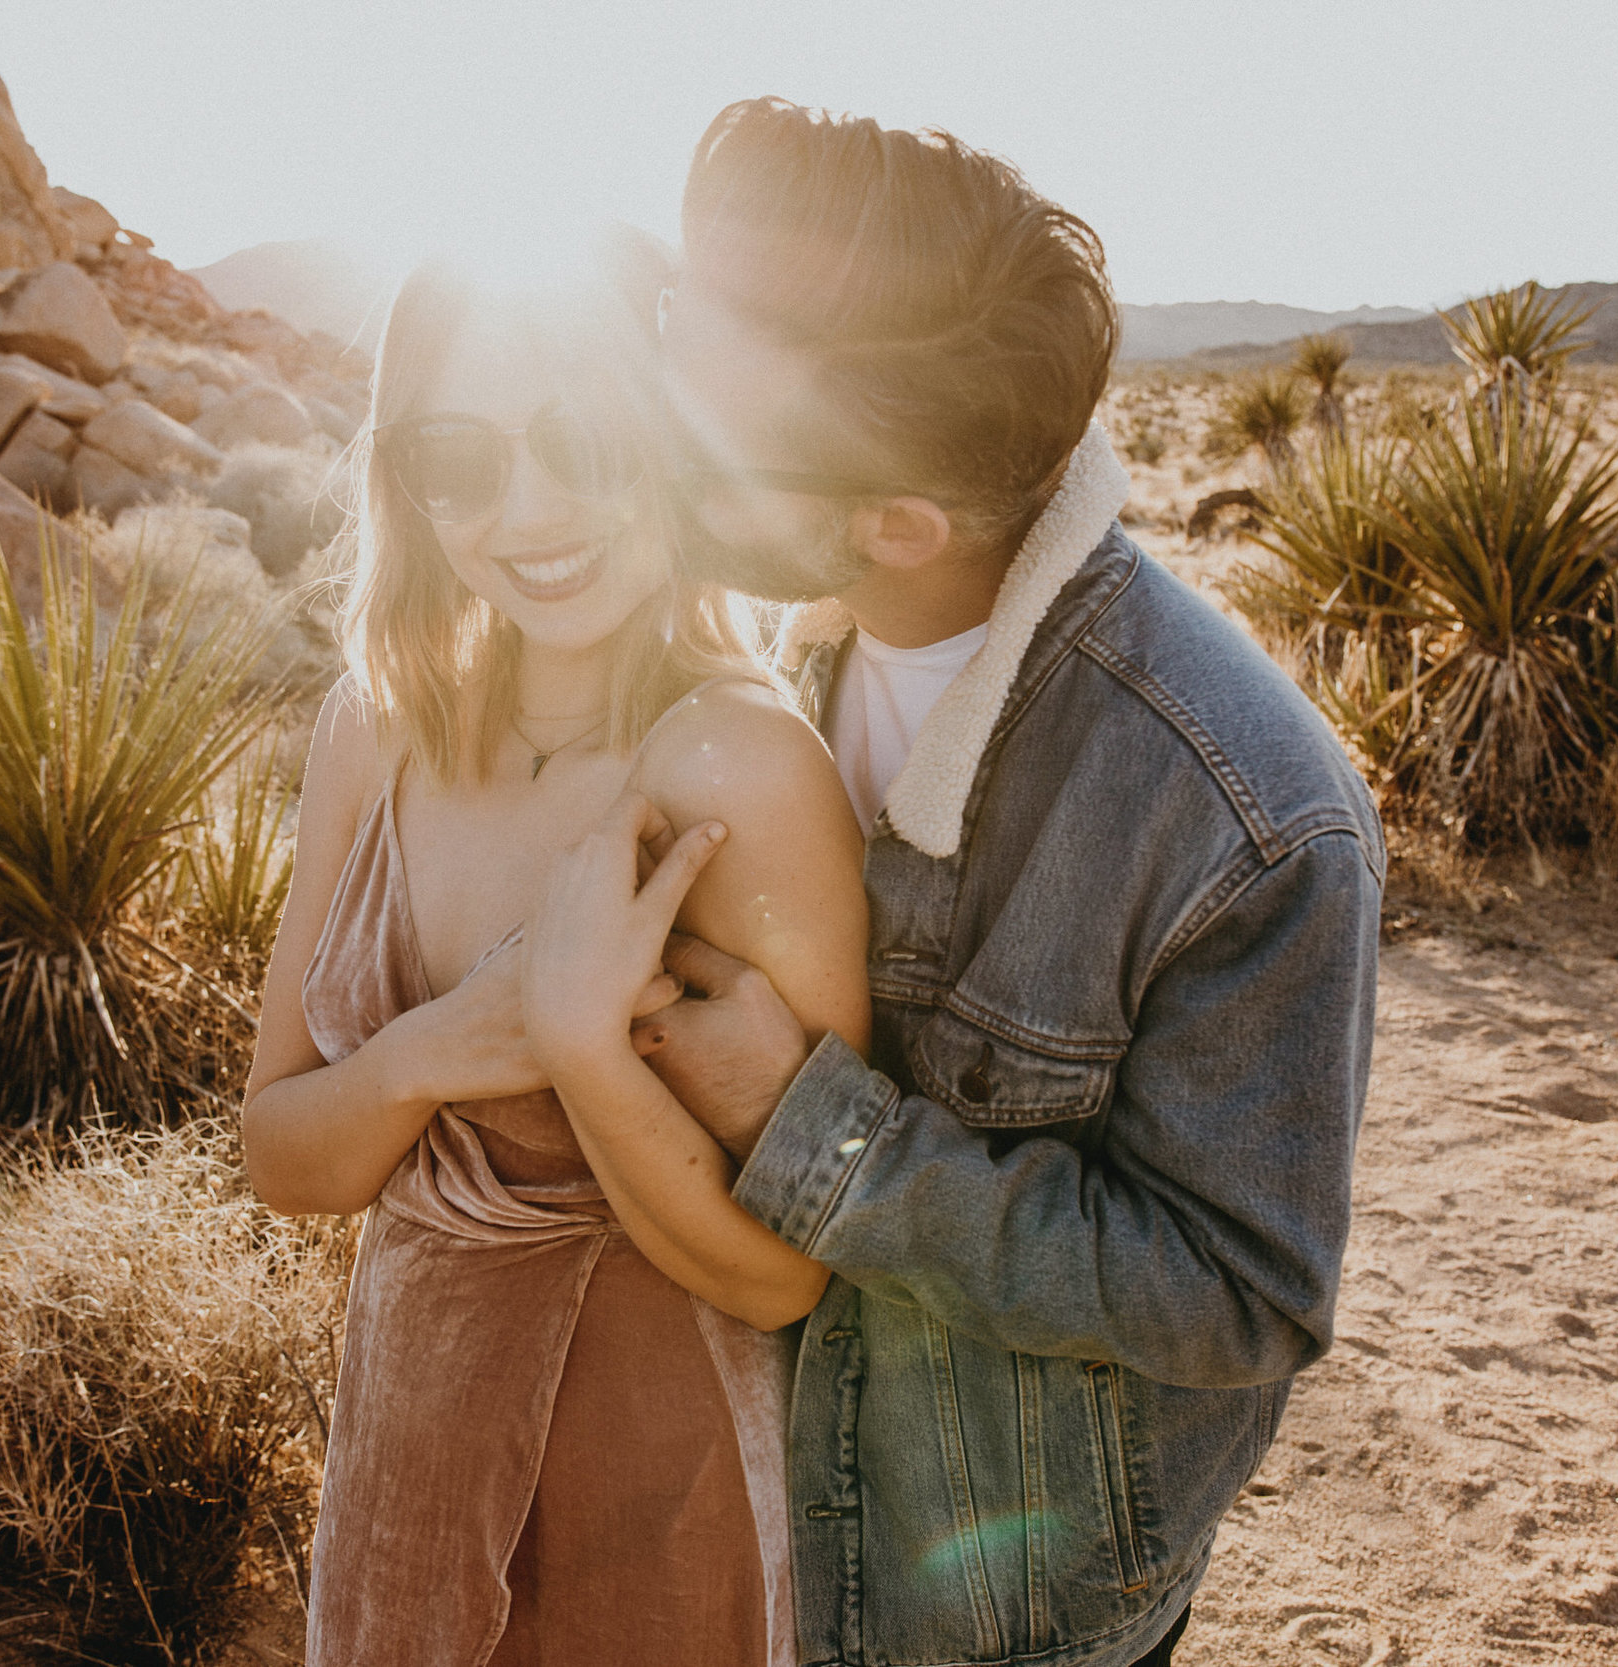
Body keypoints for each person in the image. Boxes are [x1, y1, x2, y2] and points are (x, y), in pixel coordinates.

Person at [576, 100, 1389, 1667]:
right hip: (748, 1550)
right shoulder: (743, 650)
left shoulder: (1245, 818)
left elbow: (1240, 1298)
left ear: (897, 522)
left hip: (1005, 1616)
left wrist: (818, 1135)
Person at [238, 232, 869, 1667]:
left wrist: (585, 1051)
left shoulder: (741, 769)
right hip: (403, 1478)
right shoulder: (372, 728)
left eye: (585, 440)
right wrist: (427, 1054)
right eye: (461, 459)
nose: (529, 512)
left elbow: (788, 1281)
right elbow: (284, 1160)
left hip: (657, 1496)